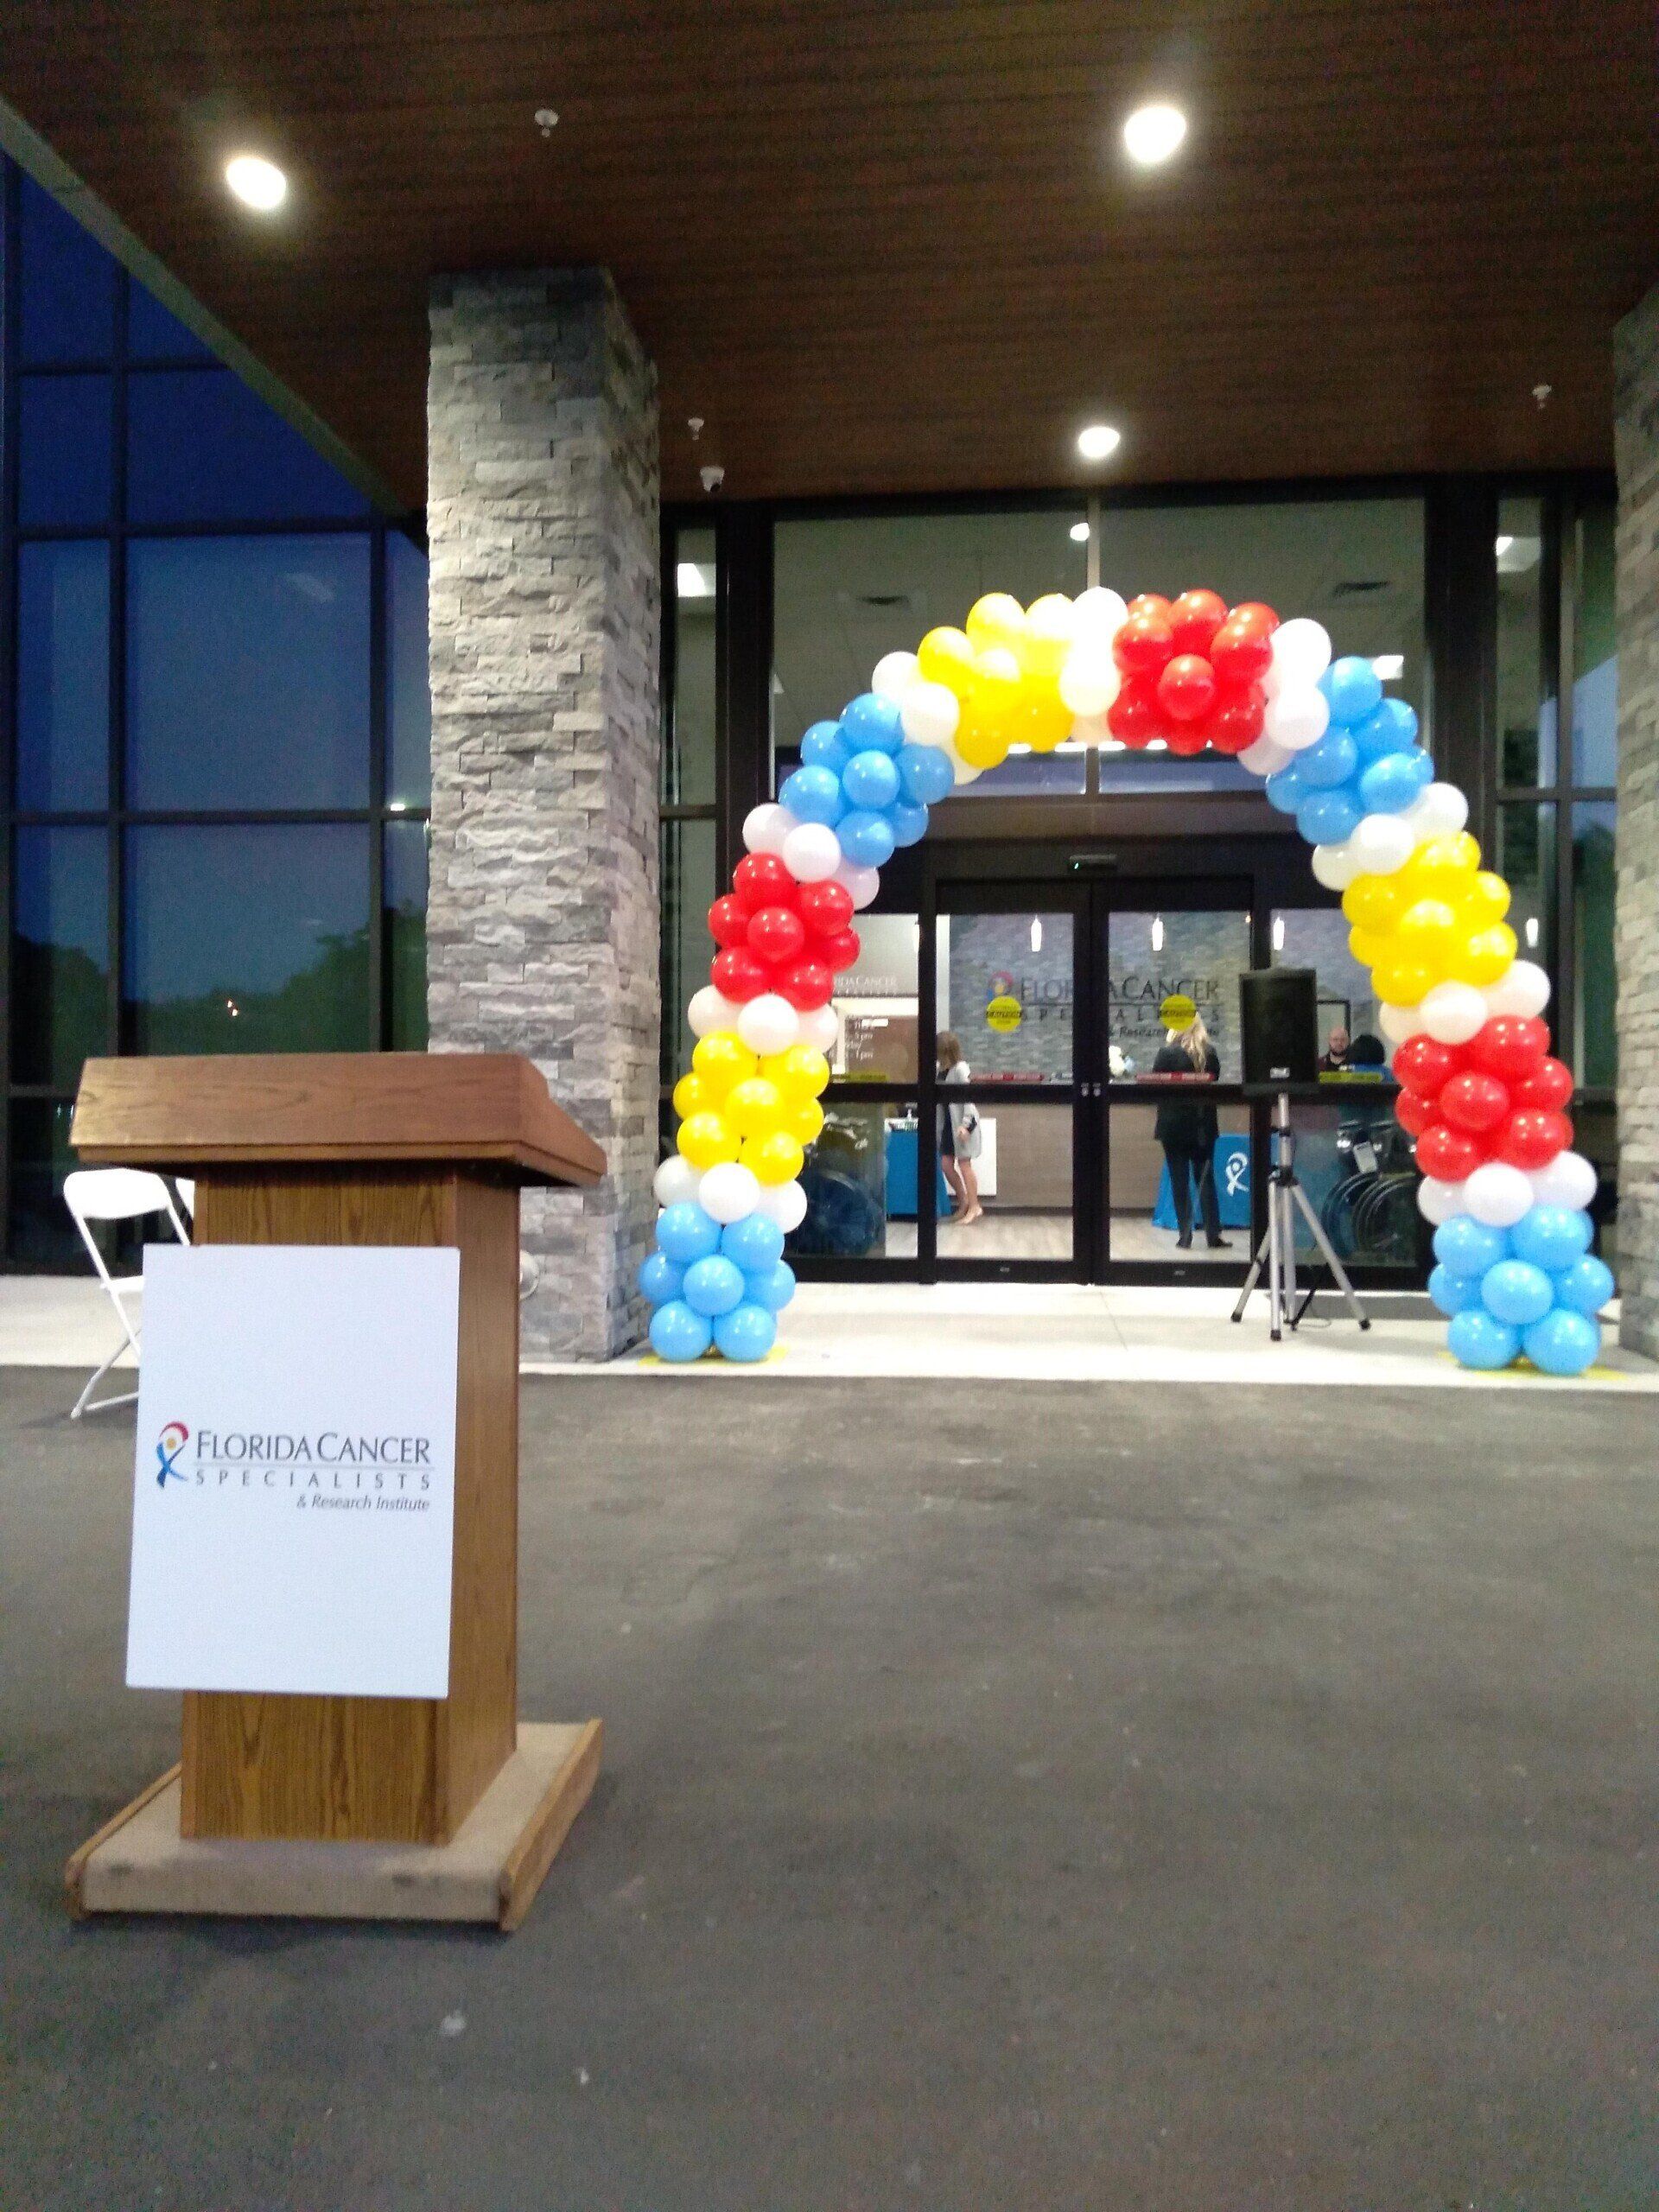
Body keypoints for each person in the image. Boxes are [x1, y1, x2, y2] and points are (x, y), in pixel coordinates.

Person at [1152, 1013, 1226, 1250]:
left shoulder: (1166, 1053)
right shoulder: (1209, 1053)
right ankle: (1213, 1235)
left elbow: (1156, 1082)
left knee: (1179, 1180)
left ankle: (1185, 1236)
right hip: (1202, 1124)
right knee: (1205, 1179)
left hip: (1173, 1125)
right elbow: (1215, 1081)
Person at [936, 1031, 982, 1224]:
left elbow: (968, 1098)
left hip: (962, 1124)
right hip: (947, 1124)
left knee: (965, 1165)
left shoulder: (960, 1069)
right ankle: (963, 1201)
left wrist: (966, 1126)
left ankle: (974, 1206)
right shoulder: (939, 1069)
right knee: (946, 1166)